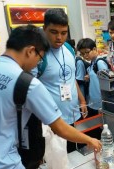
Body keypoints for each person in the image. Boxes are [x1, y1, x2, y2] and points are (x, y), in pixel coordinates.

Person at [0, 25, 101, 169]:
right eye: (40, 59)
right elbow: (60, 128)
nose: (38, 64)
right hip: (4, 164)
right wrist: (90, 140)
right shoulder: (27, 83)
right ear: (30, 51)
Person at [34, 8, 88, 153]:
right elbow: (31, 90)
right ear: (44, 29)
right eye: (54, 32)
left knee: (76, 155)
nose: (59, 37)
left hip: (73, 115)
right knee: (58, 160)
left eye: (63, 33)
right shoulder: (38, 55)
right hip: (52, 122)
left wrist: (82, 100)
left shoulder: (69, 49)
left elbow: (71, 79)